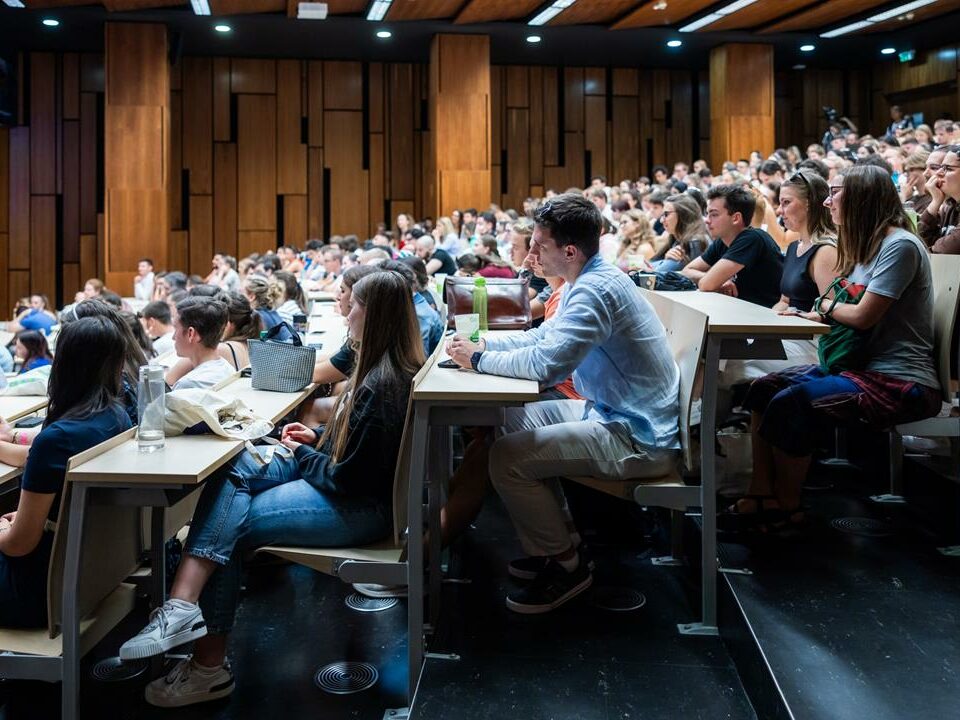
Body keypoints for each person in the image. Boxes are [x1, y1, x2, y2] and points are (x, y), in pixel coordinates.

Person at [119, 271, 425, 707]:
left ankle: (207, 667)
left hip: (360, 508)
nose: (347, 311)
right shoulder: (386, 368)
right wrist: (316, 441)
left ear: (372, 314)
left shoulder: (381, 383)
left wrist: (303, 457)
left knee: (233, 524)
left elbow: (348, 479)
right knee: (235, 468)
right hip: (354, 490)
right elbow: (362, 454)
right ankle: (183, 607)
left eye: (353, 303)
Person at [446, 193, 680, 614]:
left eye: (539, 245)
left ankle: (568, 567)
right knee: (511, 417)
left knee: (506, 458)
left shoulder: (594, 290)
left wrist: (478, 358)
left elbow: (546, 366)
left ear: (569, 250)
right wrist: (480, 342)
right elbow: (539, 338)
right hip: (612, 413)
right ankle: (563, 543)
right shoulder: (586, 279)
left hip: (639, 436)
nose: (531, 253)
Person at [730, 165, 941, 530]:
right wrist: (820, 312)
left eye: (835, 192)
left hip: (898, 380)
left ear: (862, 197)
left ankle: (788, 508)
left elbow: (862, 317)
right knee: (762, 390)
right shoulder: (865, 247)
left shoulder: (899, 246)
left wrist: (823, 308)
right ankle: (760, 494)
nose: (827, 202)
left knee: (791, 404)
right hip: (858, 368)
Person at [0, 317, 132, 628]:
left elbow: (19, 545)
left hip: (38, 592)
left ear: (63, 364)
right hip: (90, 575)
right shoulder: (117, 417)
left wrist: (6, 531)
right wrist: (21, 521)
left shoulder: (56, 440)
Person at [681, 185, 784, 307]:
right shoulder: (722, 241)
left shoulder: (752, 238)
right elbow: (686, 271)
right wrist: (720, 280)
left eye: (714, 214)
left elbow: (706, 285)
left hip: (764, 317)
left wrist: (714, 280)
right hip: (739, 312)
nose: (707, 220)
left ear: (736, 218)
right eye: (707, 214)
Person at [167, 297, 235, 391]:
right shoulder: (229, 370)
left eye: (176, 329)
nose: (173, 337)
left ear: (191, 334)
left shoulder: (187, 385)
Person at [918, 144, 960, 254]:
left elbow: (941, 252)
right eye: (941, 167)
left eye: (948, 169)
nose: (938, 173)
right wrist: (935, 202)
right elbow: (919, 241)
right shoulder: (950, 206)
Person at [649, 195, 709, 272]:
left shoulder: (694, 242)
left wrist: (666, 263)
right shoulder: (676, 240)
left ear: (683, 214)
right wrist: (666, 260)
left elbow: (653, 276)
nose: (661, 220)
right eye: (662, 215)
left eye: (666, 214)